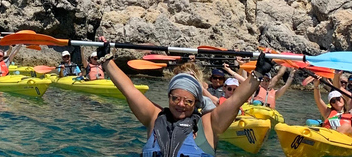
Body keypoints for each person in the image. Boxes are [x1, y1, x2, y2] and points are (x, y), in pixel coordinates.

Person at [103, 39, 274, 156]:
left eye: (188, 101)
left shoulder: (209, 124)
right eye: (175, 98)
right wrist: (107, 61)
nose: (181, 104)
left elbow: (236, 100)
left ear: (197, 102)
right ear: (169, 97)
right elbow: (129, 90)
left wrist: (257, 74)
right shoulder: (154, 117)